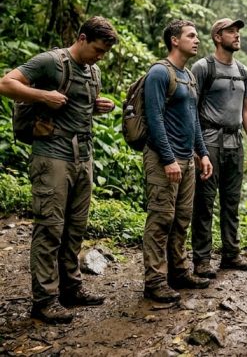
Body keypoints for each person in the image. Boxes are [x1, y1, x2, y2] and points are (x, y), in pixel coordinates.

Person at [0, 17, 119, 324]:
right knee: (50, 227)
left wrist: (97, 106)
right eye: (97, 49)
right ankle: (44, 300)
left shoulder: (94, 70)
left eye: (104, 53)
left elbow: (77, 105)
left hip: (84, 158)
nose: (100, 57)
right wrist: (42, 95)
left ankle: (71, 288)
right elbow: (6, 82)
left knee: (75, 227)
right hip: (51, 155)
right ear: (81, 38)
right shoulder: (51, 62)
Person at [142, 19, 214, 303]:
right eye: (191, 36)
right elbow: (154, 117)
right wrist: (168, 158)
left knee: (182, 218)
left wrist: (203, 152)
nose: (197, 40)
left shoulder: (189, 76)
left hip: (186, 159)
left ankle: (179, 271)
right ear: (175, 40)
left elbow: (193, 118)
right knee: (161, 218)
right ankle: (155, 280)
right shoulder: (160, 73)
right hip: (164, 159)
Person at [190, 18, 247, 278]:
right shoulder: (202, 67)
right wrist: (197, 148)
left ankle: (231, 254)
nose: (237, 35)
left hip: (235, 142)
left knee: (232, 201)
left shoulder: (242, 70)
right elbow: (191, 109)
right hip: (210, 140)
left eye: (238, 31)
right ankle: (202, 259)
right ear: (218, 37)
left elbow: (246, 111)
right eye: (231, 31)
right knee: (204, 202)